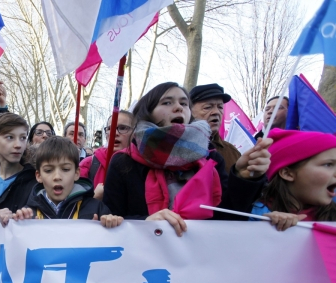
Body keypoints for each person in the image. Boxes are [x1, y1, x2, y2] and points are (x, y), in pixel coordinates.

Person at [103, 82, 271, 236]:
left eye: (184, 103)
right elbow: (111, 219)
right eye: (167, 102)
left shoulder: (211, 158)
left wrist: (243, 177)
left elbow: (228, 218)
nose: (178, 108)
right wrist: (146, 222)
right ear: (148, 112)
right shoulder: (123, 162)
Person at [5, 136, 123, 228]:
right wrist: (10, 221)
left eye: (65, 169)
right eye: (48, 170)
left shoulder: (97, 209)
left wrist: (111, 224)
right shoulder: (28, 213)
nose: (57, 177)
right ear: (38, 175)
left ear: (77, 173)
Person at [250, 129, 336, 230]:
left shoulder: (332, 216)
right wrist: (264, 228)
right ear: (287, 173)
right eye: (328, 164)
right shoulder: (253, 214)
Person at [79, 110, 135, 200]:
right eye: (110, 129)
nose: (115, 133)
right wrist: (94, 198)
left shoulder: (143, 165)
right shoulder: (88, 164)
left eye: (123, 128)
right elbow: (73, 206)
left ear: (134, 133)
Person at [189, 83, 241, 171]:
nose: (216, 112)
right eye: (208, 107)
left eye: (220, 107)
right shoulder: (176, 147)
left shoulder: (232, 152)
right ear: (190, 111)